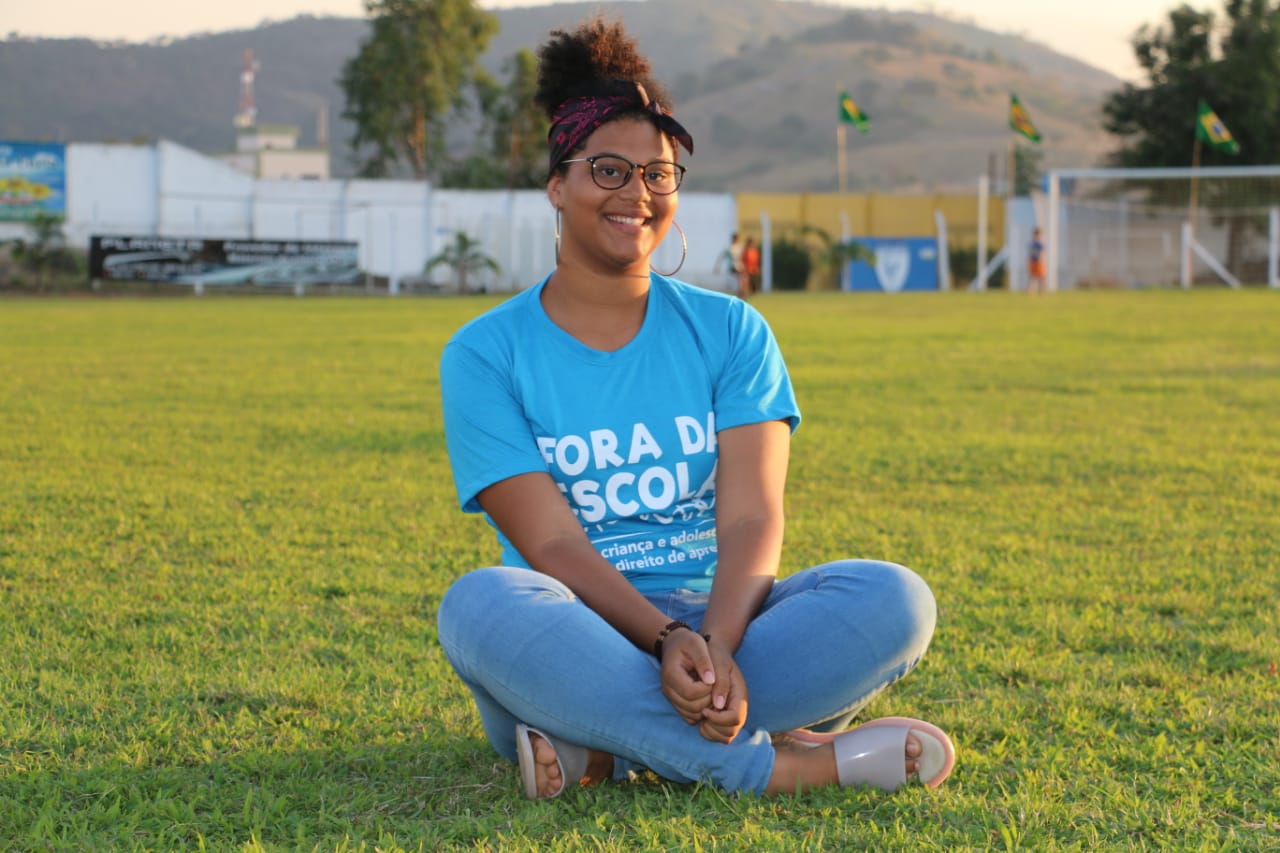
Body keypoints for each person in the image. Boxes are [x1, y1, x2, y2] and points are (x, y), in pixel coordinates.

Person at [436, 16, 954, 800]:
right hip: (574, 631)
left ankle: (602, 748)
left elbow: (751, 519)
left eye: (658, 174)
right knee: (479, 603)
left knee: (895, 598)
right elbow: (547, 540)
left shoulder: (730, 329)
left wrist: (712, 641)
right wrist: (664, 637)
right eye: (608, 170)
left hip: (728, 628)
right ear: (557, 184)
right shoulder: (485, 352)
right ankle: (782, 762)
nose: (636, 194)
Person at [1028, 227, 1046, 294]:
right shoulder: (1032, 244)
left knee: (1042, 277)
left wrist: (1041, 260)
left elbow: (1042, 253)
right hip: (1033, 262)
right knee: (1033, 277)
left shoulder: (1040, 244)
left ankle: (1043, 291)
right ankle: (1031, 291)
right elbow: (1030, 253)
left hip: (1039, 262)